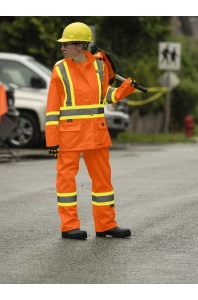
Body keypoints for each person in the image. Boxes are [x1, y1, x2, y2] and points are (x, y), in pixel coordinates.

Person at [45, 22, 135, 240]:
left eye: (67, 44)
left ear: (80, 45)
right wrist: (52, 143)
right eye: (63, 44)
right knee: (66, 181)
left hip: (96, 133)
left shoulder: (100, 66)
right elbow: (52, 109)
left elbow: (105, 96)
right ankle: (69, 226)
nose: (62, 48)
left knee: (103, 181)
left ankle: (106, 225)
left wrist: (126, 88)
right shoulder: (60, 69)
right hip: (70, 135)